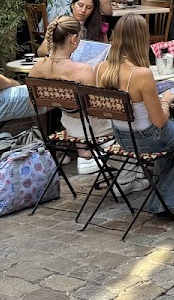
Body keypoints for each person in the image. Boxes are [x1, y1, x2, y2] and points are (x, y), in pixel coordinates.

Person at [95, 15, 174, 220]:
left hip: (122, 137)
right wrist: (166, 101)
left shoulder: (103, 68)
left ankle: (163, 201)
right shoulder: (142, 74)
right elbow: (160, 121)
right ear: (140, 39)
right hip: (148, 138)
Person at [29, 15, 131, 179]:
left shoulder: (37, 67)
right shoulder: (83, 70)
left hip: (68, 126)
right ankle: (128, 171)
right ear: (74, 39)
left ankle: (100, 161)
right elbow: (96, 109)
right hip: (92, 129)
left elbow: (33, 106)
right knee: (132, 116)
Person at [37, 0, 106, 57]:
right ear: (72, 5)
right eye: (80, 5)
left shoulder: (96, 26)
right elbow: (41, 51)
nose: (83, 10)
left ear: (93, 10)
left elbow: (105, 52)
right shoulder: (62, 24)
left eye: (88, 7)